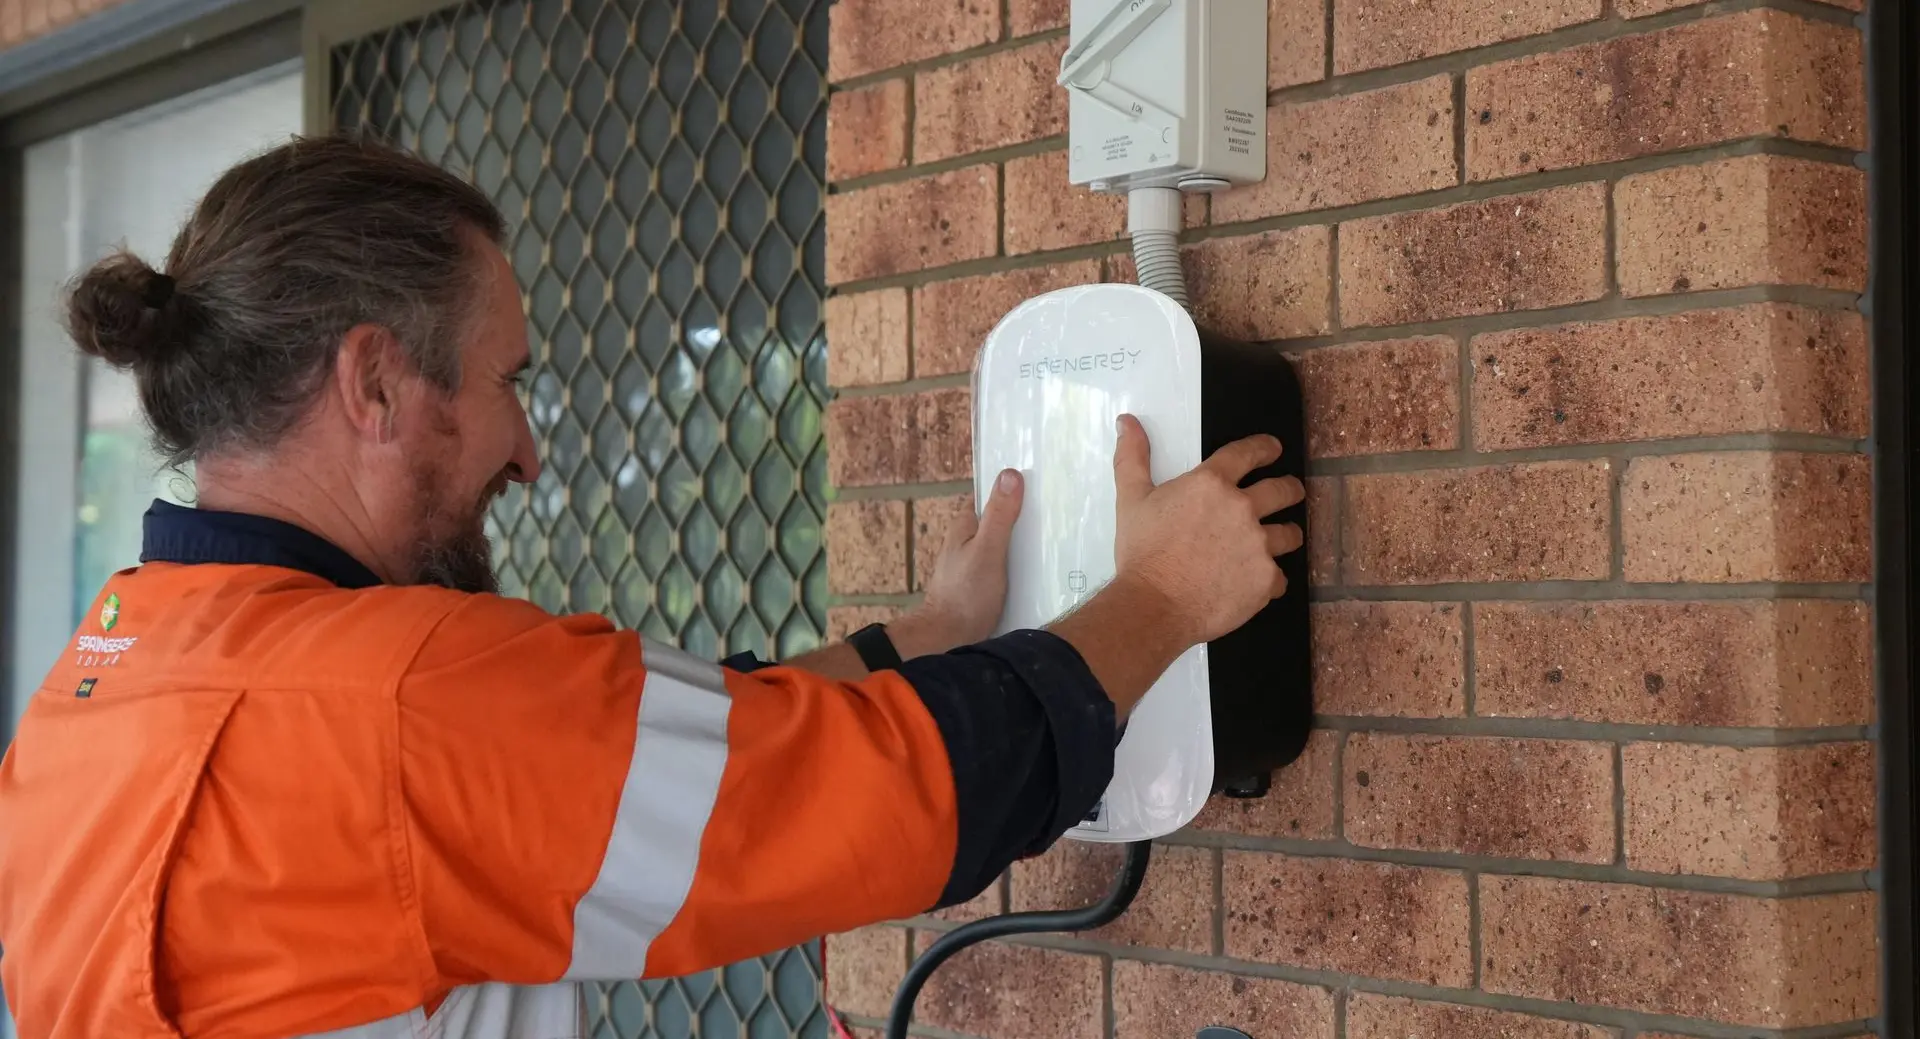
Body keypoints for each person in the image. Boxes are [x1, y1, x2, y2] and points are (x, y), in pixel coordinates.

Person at [0, 132, 1304, 1039]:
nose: (528, 450)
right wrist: (1164, 598)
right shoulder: (401, 696)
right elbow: (887, 800)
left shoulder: (93, 698)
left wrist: (927, 636)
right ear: (375, 382)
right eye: (508, 379)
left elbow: (654, 748)